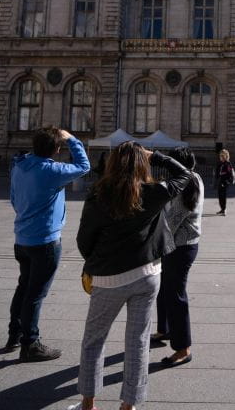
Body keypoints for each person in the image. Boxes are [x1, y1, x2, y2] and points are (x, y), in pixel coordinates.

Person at [73, 142, 190, 410]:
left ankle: (88, 403)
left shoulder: (99, 194)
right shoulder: (153, 192)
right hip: (147, 275)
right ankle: (129, 405)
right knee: (137, 342)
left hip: (108, 279)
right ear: (142, 164)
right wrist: (156, 156)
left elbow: (84, 240)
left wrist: (94, 261)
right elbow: (185, 175)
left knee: (94, 339)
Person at [7, 127, 90, 362]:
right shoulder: (52, 170)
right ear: (57, 149)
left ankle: (15, 333)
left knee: (23, 287)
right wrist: (73, 139)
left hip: (21, 238)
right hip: (45, 240)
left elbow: (14, 198)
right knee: (35, 294)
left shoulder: (19, 166)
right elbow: (84, 166)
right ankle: (30, 343)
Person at [153, 146, 203, 368]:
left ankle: (183, 349)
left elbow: (171, 221)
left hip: (180, 247)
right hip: (176, 246)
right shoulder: (194, 177)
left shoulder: (187, 186)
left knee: (175, 295)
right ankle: (164, 329)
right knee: (164, 289)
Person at [215, 149, 235, 215]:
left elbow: (230, 174)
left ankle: (224, 209)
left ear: (226, 156)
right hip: (220, 181)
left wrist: (227, 182)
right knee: (220, 196)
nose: (221, 157)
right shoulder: (220, 163)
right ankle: (222, 209)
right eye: (220, 155)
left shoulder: (228, 164)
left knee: (223, 196)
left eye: (222, 156)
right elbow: (217, 172)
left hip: (225, 182)